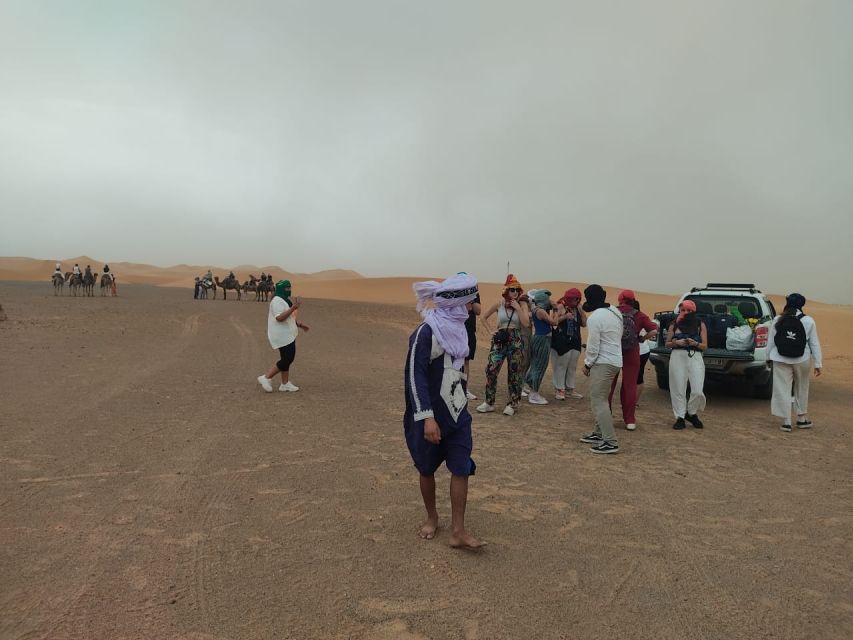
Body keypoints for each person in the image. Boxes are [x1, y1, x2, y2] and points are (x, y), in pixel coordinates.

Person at [403, 273, 484, 549]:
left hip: (458, 413)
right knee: (426, 468)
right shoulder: (425, 333)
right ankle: (432, 517)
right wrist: (427, 417)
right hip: (429, 416)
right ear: (455, 304)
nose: (470, 307)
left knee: (461, 466)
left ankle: (458, 530)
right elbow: (415, 376)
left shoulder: (459, 331)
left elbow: (459, 371)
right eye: (468, 302)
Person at [476, 275, 530, 416]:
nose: (515, 292)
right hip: (499, 339)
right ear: (506, 291)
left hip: (515, 339)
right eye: (512, 290)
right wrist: (490, 331)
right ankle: (489, 402)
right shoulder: (499, 303)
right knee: (491, 369)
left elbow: (526, 323)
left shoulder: (522, 305)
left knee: (514, 372)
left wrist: (518, 308)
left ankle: (513, 403)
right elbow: (483, 317)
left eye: (517, 290)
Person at [578, 285, 623, 454]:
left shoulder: (595, 317)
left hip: (603, 362)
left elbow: (593, 346)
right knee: (601, 398)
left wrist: (588, 364)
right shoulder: (615, 311)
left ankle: (610, 441)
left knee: (599, 400)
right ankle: (598, 433)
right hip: (615, 360)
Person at [768, 293, 822, 432]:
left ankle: (786, 422)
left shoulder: (778, 319)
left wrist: (767, 357)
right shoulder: (809, 320)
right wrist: (818, 363)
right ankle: (801, 419)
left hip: (780, 358)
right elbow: (814, 343)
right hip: (802, 359)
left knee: (782, 389)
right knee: (802, 387)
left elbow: (771, 341)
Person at [608, 291, 658, 431]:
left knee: (609, 385)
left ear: (620, 299)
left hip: (613, 351)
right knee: (630, 386)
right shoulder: (640, 315)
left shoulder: (612, 312)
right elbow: (654, 331)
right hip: (632, 352)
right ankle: (630, 420)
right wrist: (642, 338)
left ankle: (606, 415)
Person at [258, 280, 309, 393]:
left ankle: (285, 384)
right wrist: (293, 307)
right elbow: (279, 318)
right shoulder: (277, 301)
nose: (289, 290)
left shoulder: (284, 300)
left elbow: (289, 317)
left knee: (286, 358)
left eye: (290, 288)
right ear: (281, 289)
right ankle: (266, 377)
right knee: (288, 358)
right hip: (281, 335)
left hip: (287, 333)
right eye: (286, 288)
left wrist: (300, 325)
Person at [665, 300, 708, 430]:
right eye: (683, 310)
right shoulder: (674, 324)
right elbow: (667, 344)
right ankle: (680, 417)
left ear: (693, 311)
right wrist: (677, 343)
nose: (685, 313)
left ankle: (691, 412)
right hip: (677, 356)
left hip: (695, 356)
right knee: (678, 387)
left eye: (689, 310)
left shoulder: (700, 324)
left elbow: (705, 346)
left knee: (697, 390)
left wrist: (695, 343)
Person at [550, 288, 585, 401]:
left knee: (572, 366)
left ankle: (570, 389)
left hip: (575, 340)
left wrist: (581, 311)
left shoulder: (578, 308)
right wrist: (565, 316)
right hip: (562, 340)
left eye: (577, 299)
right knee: (561, 365)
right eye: (575, 299)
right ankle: (559, 389)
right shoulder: (560, 306)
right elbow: (553, 321)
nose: (576, 301)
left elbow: (584, 323)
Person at [524, 289, 555, 405]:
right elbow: (554, 322)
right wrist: (556, 311)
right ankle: (534, 394)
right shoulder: (540, 311)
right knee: (540, 366)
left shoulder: (535, 309)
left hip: (539, 338)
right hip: (542, 339)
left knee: (536, 365)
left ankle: (531, 384)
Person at [463, 286, 481, 401]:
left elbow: (478, 311)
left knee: (466, 361)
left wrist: (471, 298)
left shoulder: (474, 294)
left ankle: (464, 389)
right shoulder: (454, 292)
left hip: (469, 331)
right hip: (455, 330)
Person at [634, 299, 652, 408]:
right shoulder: (643, 316)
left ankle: (633, 402)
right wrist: (644, 338)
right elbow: (654, 330)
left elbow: (654, 330)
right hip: (643, 350)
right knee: (637, 376)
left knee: (636, 377)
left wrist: (642, 338)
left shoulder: (638, 317)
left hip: (640, 351)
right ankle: (633, 401)